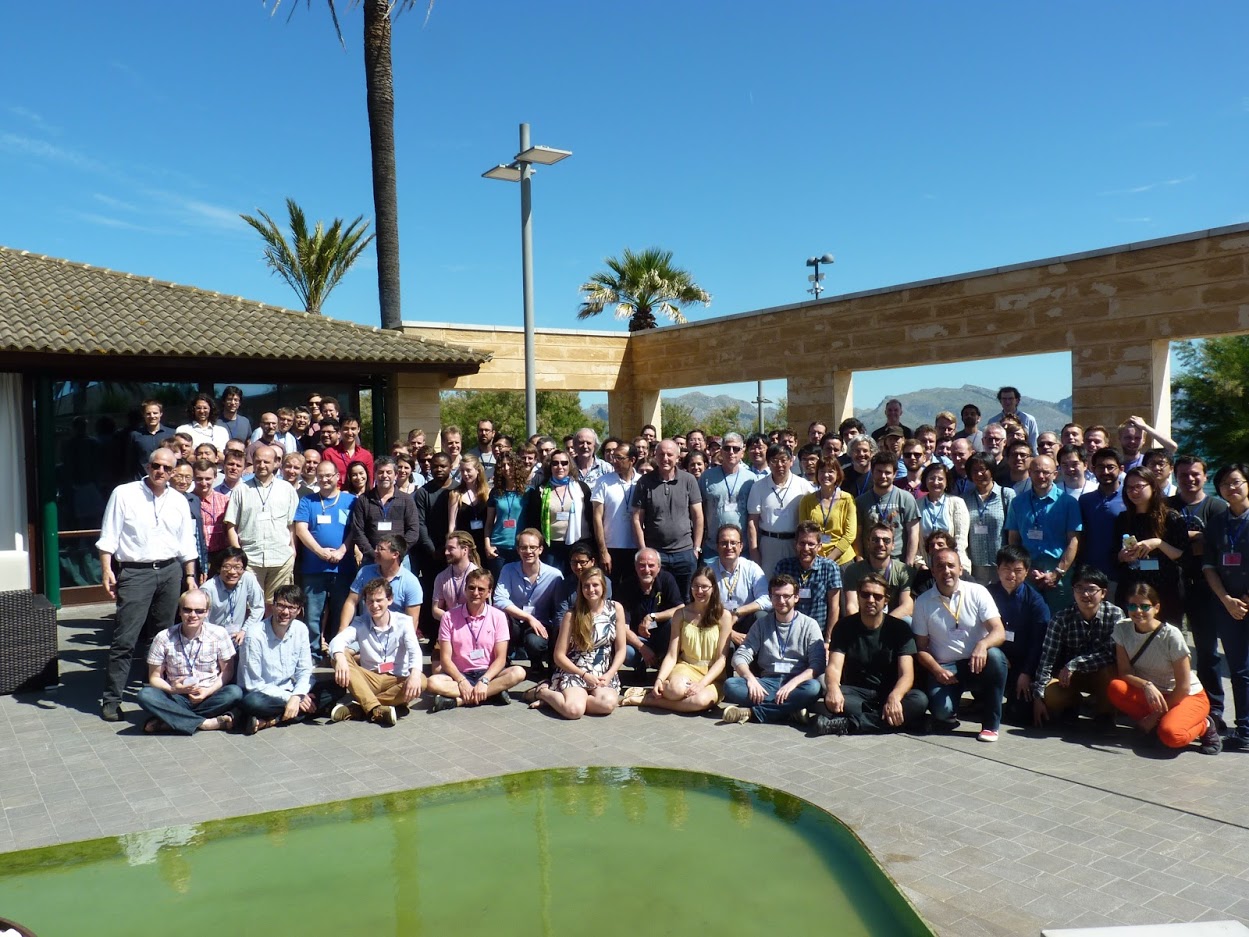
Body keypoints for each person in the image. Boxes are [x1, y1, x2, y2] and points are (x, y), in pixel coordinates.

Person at [96, 445, 198, 721]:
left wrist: (190, 575)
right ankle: (112, 699)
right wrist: (106, 569)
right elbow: (109, 536)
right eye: (156, 466)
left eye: (167, 468)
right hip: (135, 572)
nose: (160, 471)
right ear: (147, 466)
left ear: (173, 472)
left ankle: (153, 693)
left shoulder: (179, 500)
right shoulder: (124, 493)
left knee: (161, 638)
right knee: (125, 639)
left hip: (170, 571)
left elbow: (186, 543)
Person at [1110, 582, 1221, 754]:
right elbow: (1124, 672)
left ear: (1156, 608)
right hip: (1155, 693)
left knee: (1171, 736)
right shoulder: (1122, 628)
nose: (1138, 611)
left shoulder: (1171, 635)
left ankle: (1205, 725)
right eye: (1132, 606)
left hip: (1185, 695)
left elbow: (1183, 687)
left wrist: (1153, 717)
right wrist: (1146, 685)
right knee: (1116, 688)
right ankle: (1159, 724)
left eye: (1144, 606)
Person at [812, 572, 928, 736]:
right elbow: (834, 667)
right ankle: (902, 722)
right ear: (858, 596)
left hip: (890, 691)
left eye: (877, 596)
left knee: (919, 700)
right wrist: (832, 688)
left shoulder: (900, 629)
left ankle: (849, 725)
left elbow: (907, 674)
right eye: (865, 595)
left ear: (886, 599)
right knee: (833, 699)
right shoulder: (843, 626)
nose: (871, 600)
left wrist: (895, 697)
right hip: (857, 693)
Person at [911, 548, 1008, 742]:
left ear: (960, 569)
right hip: (946, 669)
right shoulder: (922, 602)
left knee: (996, 657)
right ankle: (950, 712)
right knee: (942, 712)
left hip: (977, 663)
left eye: (951, 566)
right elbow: (921, 648)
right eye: (940, 566)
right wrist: (937, 670)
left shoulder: (977, 592)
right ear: (932, 571)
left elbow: (999, 631)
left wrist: (982, 645)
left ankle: (990, 725)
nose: (946, 571)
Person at [622, 565, 732, 713]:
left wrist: (701, 684)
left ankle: (649, 700)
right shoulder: (681, 614)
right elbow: (672, 655)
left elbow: (722, 660)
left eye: (704, 587)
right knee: (674, 691)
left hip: (712, 673)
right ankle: (662, 691)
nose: (699, 591)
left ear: (713, 588)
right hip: (686, 667)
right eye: (695, 586)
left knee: (699, 701)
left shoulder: (724, 616)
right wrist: (659, 680)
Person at [1169, 455, 1228, 727]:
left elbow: (1217, 543)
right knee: (1170, 649)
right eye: (1183, 475)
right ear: (1175, 476)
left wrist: (1184, 540)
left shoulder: (1217, 507)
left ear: (1205, 476)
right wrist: (1193, 540)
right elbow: (1164, 539)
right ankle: (1175, 703)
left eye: (1195, 474)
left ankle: (1213, 708)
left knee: (1207, 651)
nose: (1189, 479)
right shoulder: (1167, 506)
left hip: (1205, 588)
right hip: (1171, 586)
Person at [721, 574, 826, 726]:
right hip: (767, 683)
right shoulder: (761, 624)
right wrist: (751, 679)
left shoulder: (810, 625)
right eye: (776, 596)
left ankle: (752, 713)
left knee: (813, 688)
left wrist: (793, 684)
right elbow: (740, 656)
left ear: (796, 597)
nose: (781, 601)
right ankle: (791, 709)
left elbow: (818, 664)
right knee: (730, 685)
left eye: (786, 596)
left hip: (797, 683)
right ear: (770, 598)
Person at [136, 589, 243, 734]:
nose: (193, 615)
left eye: (199, 611)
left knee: (235, 692)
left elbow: (227, 671)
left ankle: (172, 720)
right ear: (179, 611)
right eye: (187, 610)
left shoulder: (219, 634)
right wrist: (173, 689)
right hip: (176, 697)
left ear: (207, 612)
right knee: (145, 695)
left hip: (209, 695)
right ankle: (204, 723)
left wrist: (207, 692)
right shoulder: (163, 638)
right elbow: (154, 678)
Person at [527, 567, 627, 719]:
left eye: (595, 585)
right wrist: (583, 675)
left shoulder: (615, 609)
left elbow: (621, 649)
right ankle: (543, 692)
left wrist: (610, 674)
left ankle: (560, 700)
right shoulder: (572, 615)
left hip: (603, 672)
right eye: (586, 586)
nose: (591, 590)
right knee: (573, 711)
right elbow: (559, 656)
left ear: (603, 587)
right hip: (575, 671)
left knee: (606, 705)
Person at [1030, 565, 1120, 727]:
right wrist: (1038, 697)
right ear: (1073, 591)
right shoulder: (1061, 619)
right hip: (1069, 678)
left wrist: (1075, 663)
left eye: (1091, 589)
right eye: (1079, 588)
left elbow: (1111, 654)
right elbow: (1047, 659)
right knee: (1051, 695)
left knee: (1111, 671)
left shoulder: (1115, 614)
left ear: (1103, 593)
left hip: (1099, 673)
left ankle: (1105, 714)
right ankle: (1073, 703)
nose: (1085, 594)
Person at [328, 577, 423, 727]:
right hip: (370, 679)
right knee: (338, 655)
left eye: (379, 600)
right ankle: (377, 709)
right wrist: (339, 658)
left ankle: (361, 707)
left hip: (397, 679)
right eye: (370, 601)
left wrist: (415, 675)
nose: (374, 605)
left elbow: (414, 651)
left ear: (389, 600)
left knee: (422, 679)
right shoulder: (360, 622)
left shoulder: (404, 622)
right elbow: (337, 641)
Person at [427, 569, 526, 711]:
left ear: (489, 592)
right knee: (432, 682)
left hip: (489, 673)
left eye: (481, 589)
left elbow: (501, 659)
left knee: (518, 672)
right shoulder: (448, 617)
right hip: (460, 673)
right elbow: (445, 660)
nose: (475, 593)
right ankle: (492, 693)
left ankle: (459, 701)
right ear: (465, 589)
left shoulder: (498, 616)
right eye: (471, 588)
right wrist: (461, 681)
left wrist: (485, 680)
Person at [1202, 462, 1249, 750]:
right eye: (1224, 484)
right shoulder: (1217, 523)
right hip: (1228, 605)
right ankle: (1245, 730)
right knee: (1240, 669)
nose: (1231, 488)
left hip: (1244, 601)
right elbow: (1209, 566)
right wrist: (1226, 599)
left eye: (1236, 481)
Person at [293, 459, 356, 660]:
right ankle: (312, 654)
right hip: (314, 568)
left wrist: (342, 551)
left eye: (329, 475)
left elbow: (355, 530)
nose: (325, 479)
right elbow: (300, 529)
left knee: (341, 613)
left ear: (338, 476)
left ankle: (338, 652)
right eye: (320, 476)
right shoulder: (307, 501)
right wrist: (319, 551)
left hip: (343, 567)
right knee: (313, 614)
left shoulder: (351, 500)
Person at [237, 583, 319, 734]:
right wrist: (293, 698)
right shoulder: (254, 635)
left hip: (289, 688)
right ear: (273, 606)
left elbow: (304, 670)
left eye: (291, 607)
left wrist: (298, 694)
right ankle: (298, 712)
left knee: (335, 689)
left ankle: (271, 721)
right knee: (252, 702)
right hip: (262, 694)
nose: (285, 612)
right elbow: (254, 684)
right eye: (281, 606)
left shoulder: (301, 629)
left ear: (299, 610)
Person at [223, 444, 300, 605]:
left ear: (276, 463)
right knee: (248, 604)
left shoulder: (287, 489)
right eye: (258, 461)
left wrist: (293, 551)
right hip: (250, 559)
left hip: (281, 558)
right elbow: (231, 525)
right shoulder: (241, 490)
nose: (262, 465)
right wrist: (239, 555)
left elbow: (292, 524)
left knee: (277, 604)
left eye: (266, 462)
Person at [1005, 454, 1080, 614]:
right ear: (1029, 473)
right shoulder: (1018, 503)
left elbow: (1074, 541)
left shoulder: (1068, 503)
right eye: (1036, 472)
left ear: (1055, 474)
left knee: (1060, 620)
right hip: (1027, 574)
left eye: (1046, 472)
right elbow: (1014, 540)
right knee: (1029, 619)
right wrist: (1026, 569)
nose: (1041, 476)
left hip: (1059, 576)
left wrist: (1057, 573)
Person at [1112, 467, 1187, 625]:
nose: (1134, 492)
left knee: (1166, 634)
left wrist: (1157, 543)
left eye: (1139, 486)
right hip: (1133, 588)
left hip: (1165, 590)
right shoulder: (1123, 519)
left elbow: (1183, 555)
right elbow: (1114, 554)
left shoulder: (1170, 517)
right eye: (1129, 488)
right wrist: (1122, 556)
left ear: (1153, 487)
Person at [986, 545, 1051, 725]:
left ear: (1027, 572)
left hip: (1023, 665)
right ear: (998, 569)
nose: (1011, 575)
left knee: (1020, 715)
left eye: (1018, 570)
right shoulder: (987, 594)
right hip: (995, 658)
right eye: (1006, 569)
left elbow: (1039, 643)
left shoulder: (1036, 601)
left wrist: (1026, 673)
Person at [631, 438, 704, 599]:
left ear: (677, 457)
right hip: (656, 553)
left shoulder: (688, 480)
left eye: (669, 455)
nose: (665, 458)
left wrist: (696, 548)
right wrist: (643, 550)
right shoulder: (644, 482)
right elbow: (636, 519)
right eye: (661, 454)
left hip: (685, 553)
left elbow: (698, 516)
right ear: (655, 456)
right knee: (658, 598)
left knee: (688, 597)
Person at [492, 528, 565, 671]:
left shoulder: (555, 575)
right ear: (518, 550)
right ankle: (502, 662)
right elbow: (499, 599)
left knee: (535, 642)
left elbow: (559, 608)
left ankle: (537, 663)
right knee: (499, 617)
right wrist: (528, 617)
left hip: (540, 623)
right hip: (514, 622)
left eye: (533, 547)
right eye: (523, 547)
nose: (528, 551)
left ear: (540, 549)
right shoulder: (508, 569)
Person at [523, 447, 597, 571]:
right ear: (550, 466)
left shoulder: (582, 488)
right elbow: (533, 521)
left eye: (564, 463)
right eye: (555, 463)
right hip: (552, 547)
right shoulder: (540, 490)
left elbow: (590, 517)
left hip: (580, 544)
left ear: (570, 466)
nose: (560, 467)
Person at [747, 443, 815, 576]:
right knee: (767, 582)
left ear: (791, 461)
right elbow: (752, 521)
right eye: (774, 460)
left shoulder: (803, 485)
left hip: (795, 543)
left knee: (794, 582)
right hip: (768, 544)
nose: (779, 465)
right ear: (768, 462)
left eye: (783, 460)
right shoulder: (758, 487)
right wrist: (754, 551)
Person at [337, 534, 423, 634]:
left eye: (380, 549)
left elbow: (412, 621)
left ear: (395, 555)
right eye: (376, 548)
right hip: (366, 631)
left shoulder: (410, 582)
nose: (375, 551)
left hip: (395, 635)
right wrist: (342, 631)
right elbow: (351, 602)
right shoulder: (365, 572)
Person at [618, 547, 684, 673]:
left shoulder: (667, 579)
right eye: (642, 565)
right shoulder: (626, 587)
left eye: (651, 565)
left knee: (673, 622)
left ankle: (664, 664)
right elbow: (622, 627)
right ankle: (641, 665)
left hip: (662, 635)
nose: (646, 570)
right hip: (637, 639)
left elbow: (680, 608)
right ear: (635, 567)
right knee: (626, 652)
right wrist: (642, 648)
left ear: (658, 567)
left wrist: (653, 617)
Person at [348, 455, 421, 566]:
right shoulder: (364, 500)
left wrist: (396, 552)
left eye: (389, 472)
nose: (385, 476)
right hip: (371, 560)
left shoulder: (407, 500)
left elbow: (413, 531)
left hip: (399, 560)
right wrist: (373, 554)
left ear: (396, 475)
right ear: (375, 475)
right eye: (381, 472)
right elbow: (358, 531)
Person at [774, 522, 841, 641]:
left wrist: (828, 640)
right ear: (795, 544)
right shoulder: (783, 566)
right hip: (788, 634)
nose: (806, 548)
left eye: (811, 544)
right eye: (802, 543)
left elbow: (834, 607)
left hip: (818, 635)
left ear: (819, 546)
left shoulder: (830, 568)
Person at [709, 523, 772, 645]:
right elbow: (703, 608)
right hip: (717, 623)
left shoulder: (752, 568)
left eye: (733, 543)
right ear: (717, 547)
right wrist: (730, 633)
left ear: (741, 546)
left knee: (762, 615)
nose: (729, 547)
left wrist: (738, 612)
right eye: (724, 543)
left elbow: (767, 599)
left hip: (746, 620)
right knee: (727, 644)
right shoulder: (708, 572)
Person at [855, 452, 919, 566]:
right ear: (872, 472)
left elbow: (913, 532)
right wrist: (859, 560)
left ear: (895, 474)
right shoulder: (861, 501)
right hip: (870, 563)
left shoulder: (906, 498)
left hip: (898, 562)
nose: (883, 476)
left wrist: (909, 561)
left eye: (887, 472)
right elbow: (857, 536)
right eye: (879, 471)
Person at [591, 443, 641, 590]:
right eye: (613, 457)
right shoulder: (603, 482)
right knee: (612, 589)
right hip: (612, 547)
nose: (614, 461)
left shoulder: (642, 481)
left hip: (637, 547)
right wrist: (603, 551)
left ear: (632, 460)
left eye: (619, 458)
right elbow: (597, 517)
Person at [841, 523, 915, 621]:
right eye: (875, 540)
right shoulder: (853, 570)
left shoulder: (904, 571)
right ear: (868, 543)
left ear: (893, 545)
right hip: (862, 622)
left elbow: (907, 606)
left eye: (886, 541)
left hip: (893, 621)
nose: (880, 544)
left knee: (908, 621)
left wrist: (883, 624)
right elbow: (852, 606)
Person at [961, 454, 1014, 584]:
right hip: (975, 566)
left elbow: (1013, 531)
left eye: (983, 469)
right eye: (974, 470)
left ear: (992, 470)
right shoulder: (964, 499)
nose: (979, 474)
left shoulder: (1006, 494)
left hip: (1001, 564)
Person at [1078, 447, 1127, 586]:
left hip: (1121, 575)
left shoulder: (1130, 498)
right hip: (1090, 575)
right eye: (1100, 467)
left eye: (1110, 467)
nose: (1105, 472)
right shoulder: (1085, 501)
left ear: (1121, 469)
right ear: (1093, 469)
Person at [796, 457, 857, 565]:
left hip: (842, 560)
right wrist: (817, 558)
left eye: (830, 471)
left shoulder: (847, 499)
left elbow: (850, 534)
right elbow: (803, 532)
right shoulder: (806, 501)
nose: (826, 475)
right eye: (822, 471)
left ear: (838, 474)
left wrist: (829, 559)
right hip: (814, 559)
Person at [201, 547, 266, 645]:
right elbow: (202, 619)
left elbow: (258, 607)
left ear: (243, 569)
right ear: (219, 568)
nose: (232, 572)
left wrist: (245, 630)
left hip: (239, 636)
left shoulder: (248, 578)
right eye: (227, 567)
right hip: (213, 639)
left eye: (237, 567)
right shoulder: (207, 589)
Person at [917, 462, 970, 571]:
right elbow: (915, 540)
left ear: (947, 481)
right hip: (926, 567)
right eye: (932, 478)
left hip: (952, 567)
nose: (936, 482)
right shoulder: (916, 505)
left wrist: (957, 566)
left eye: (940, 479)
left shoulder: (957, 503)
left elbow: (961, 539)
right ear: (925, 480)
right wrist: (921, 564)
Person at [484, 452, 527, 579]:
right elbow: (489, 522)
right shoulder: (496, 492)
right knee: (499, 584)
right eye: (503, 465)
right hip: (498, 546)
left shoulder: (527, 492)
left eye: (510, 464)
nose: (506, 468)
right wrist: (488, 545)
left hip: (521, 547)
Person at [448, 453, 491, 559]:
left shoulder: (488, 493)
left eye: (468, 470)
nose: (465, 474)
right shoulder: (456, 494)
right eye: (462, 471)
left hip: (483, 541)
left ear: (477, 470)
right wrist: (450, 545)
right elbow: (452, 525)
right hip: (464, 543)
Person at [127, 399, 172, 479]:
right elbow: (130, 461)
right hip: (141, 479)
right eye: (148, 413)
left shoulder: (171, 434)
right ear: (143, 415)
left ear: (161, 414)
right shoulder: (135, 435)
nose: (152, 416)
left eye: (155, 413)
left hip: (165, 479)